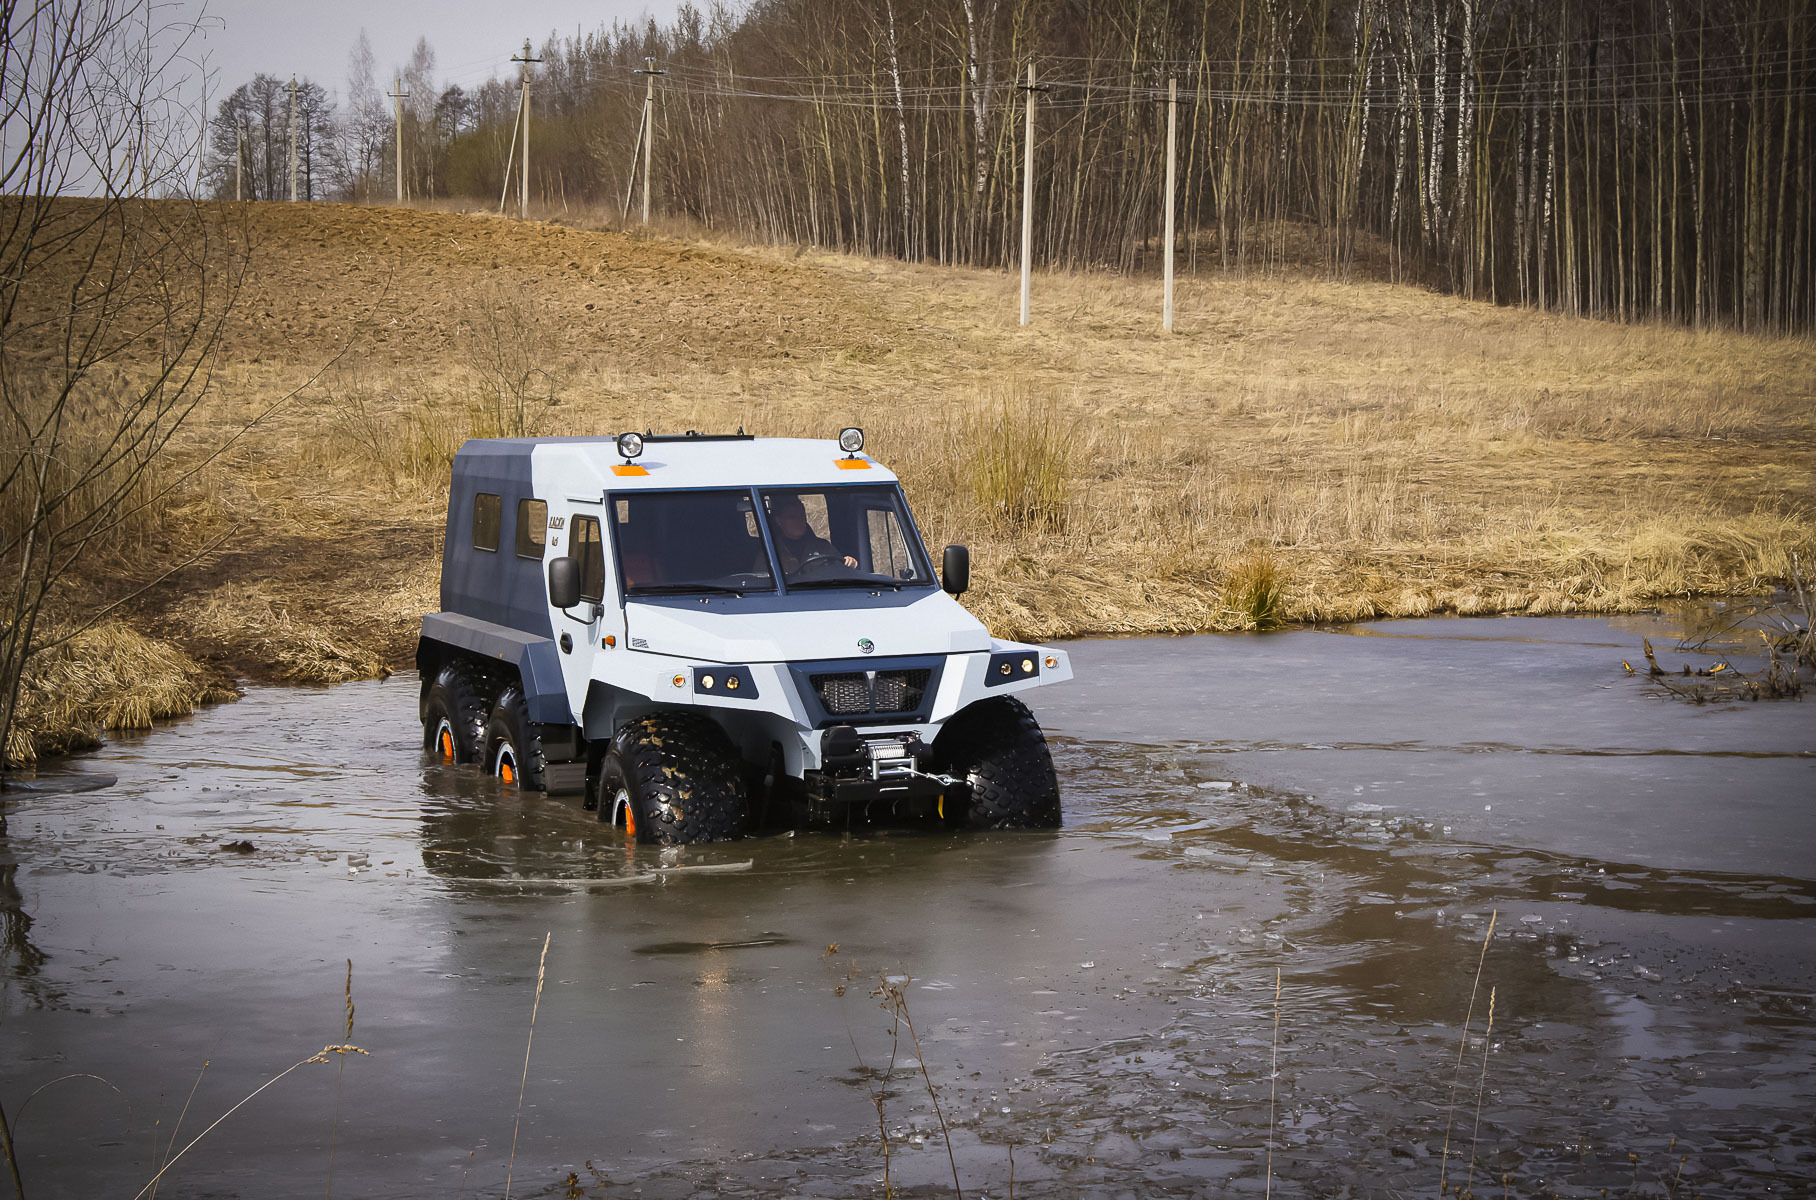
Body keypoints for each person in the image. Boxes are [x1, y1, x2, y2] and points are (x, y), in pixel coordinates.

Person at [768, 494, 857, 574]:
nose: (799, 521)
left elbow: (842, 574)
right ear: (778, 521)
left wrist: (849, 562)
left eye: (802, 516)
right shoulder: (770, 551)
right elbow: (762, 581)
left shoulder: (824, 547)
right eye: (792, 517)